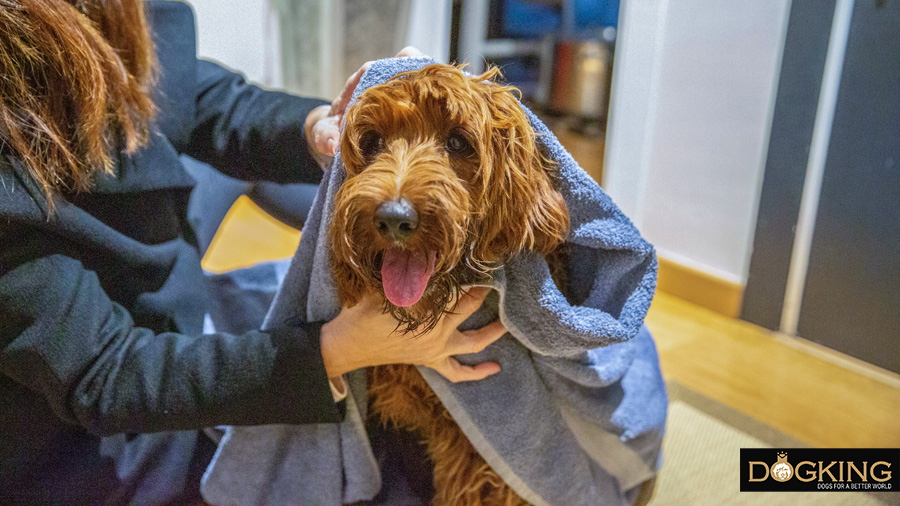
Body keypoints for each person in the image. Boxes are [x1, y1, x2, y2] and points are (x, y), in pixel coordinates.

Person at [0, 1, 505, 504]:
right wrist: (338, 350)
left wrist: (318, 127)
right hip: (98, 439)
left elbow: (187, 91)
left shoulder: (122, 18)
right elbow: (107, 375)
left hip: (167, 283)